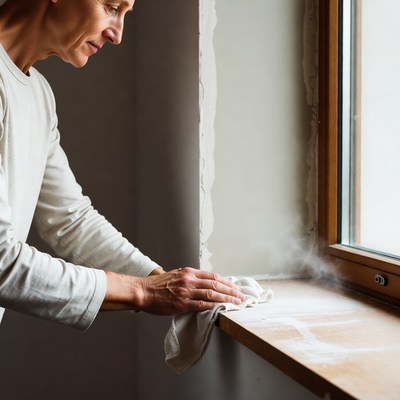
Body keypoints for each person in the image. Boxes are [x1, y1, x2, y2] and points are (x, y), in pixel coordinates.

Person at [0, 0, 245, 331]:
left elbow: (71, 220)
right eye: (111, 6)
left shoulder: (39, 95)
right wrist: (142, 292)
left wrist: (159, 280)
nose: (117, 34)